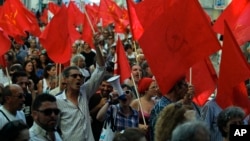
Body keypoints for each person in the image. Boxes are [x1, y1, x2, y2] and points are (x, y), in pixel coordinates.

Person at [55, 34, 106, 141]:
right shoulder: (57, 101)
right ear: (65, 79)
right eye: (74, 76)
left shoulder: (84, 92)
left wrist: (96, 47)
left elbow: (101, 69)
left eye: (81, 76)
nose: (78, 78)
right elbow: (54, 129)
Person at [89, 74, 113, 141]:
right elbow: (88, 114)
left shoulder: (115, 100)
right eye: (103, 85)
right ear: (99, 86)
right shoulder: (93, 97)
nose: (105, 88)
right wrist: (99, 105)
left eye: (109, 86)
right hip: (94, 133)